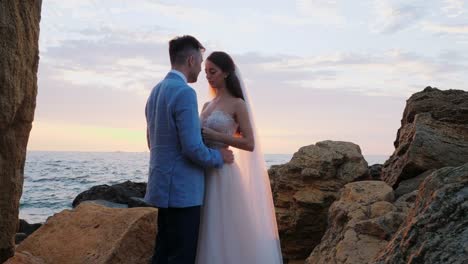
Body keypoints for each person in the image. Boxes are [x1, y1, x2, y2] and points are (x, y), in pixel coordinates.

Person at [145, 36, 234, 264]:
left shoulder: (155, 91)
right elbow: (192, 148)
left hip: (160, 186)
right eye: (201, 61)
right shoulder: (184, 93)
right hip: (183, 191)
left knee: (162, 252)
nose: (201, 71)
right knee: (181, 256)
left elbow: (150, 141)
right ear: (192, 60)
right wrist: (219, 156)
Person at [197, 51, 283, 264]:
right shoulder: (206, 106)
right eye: (206, 72)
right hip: (204, 170)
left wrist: (218, 136)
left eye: (213, 71)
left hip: (224, 172)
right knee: (205, 227)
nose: (208, 76)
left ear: (226, 73)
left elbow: (250, 143)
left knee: (225, 227)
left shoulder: (237, 104)